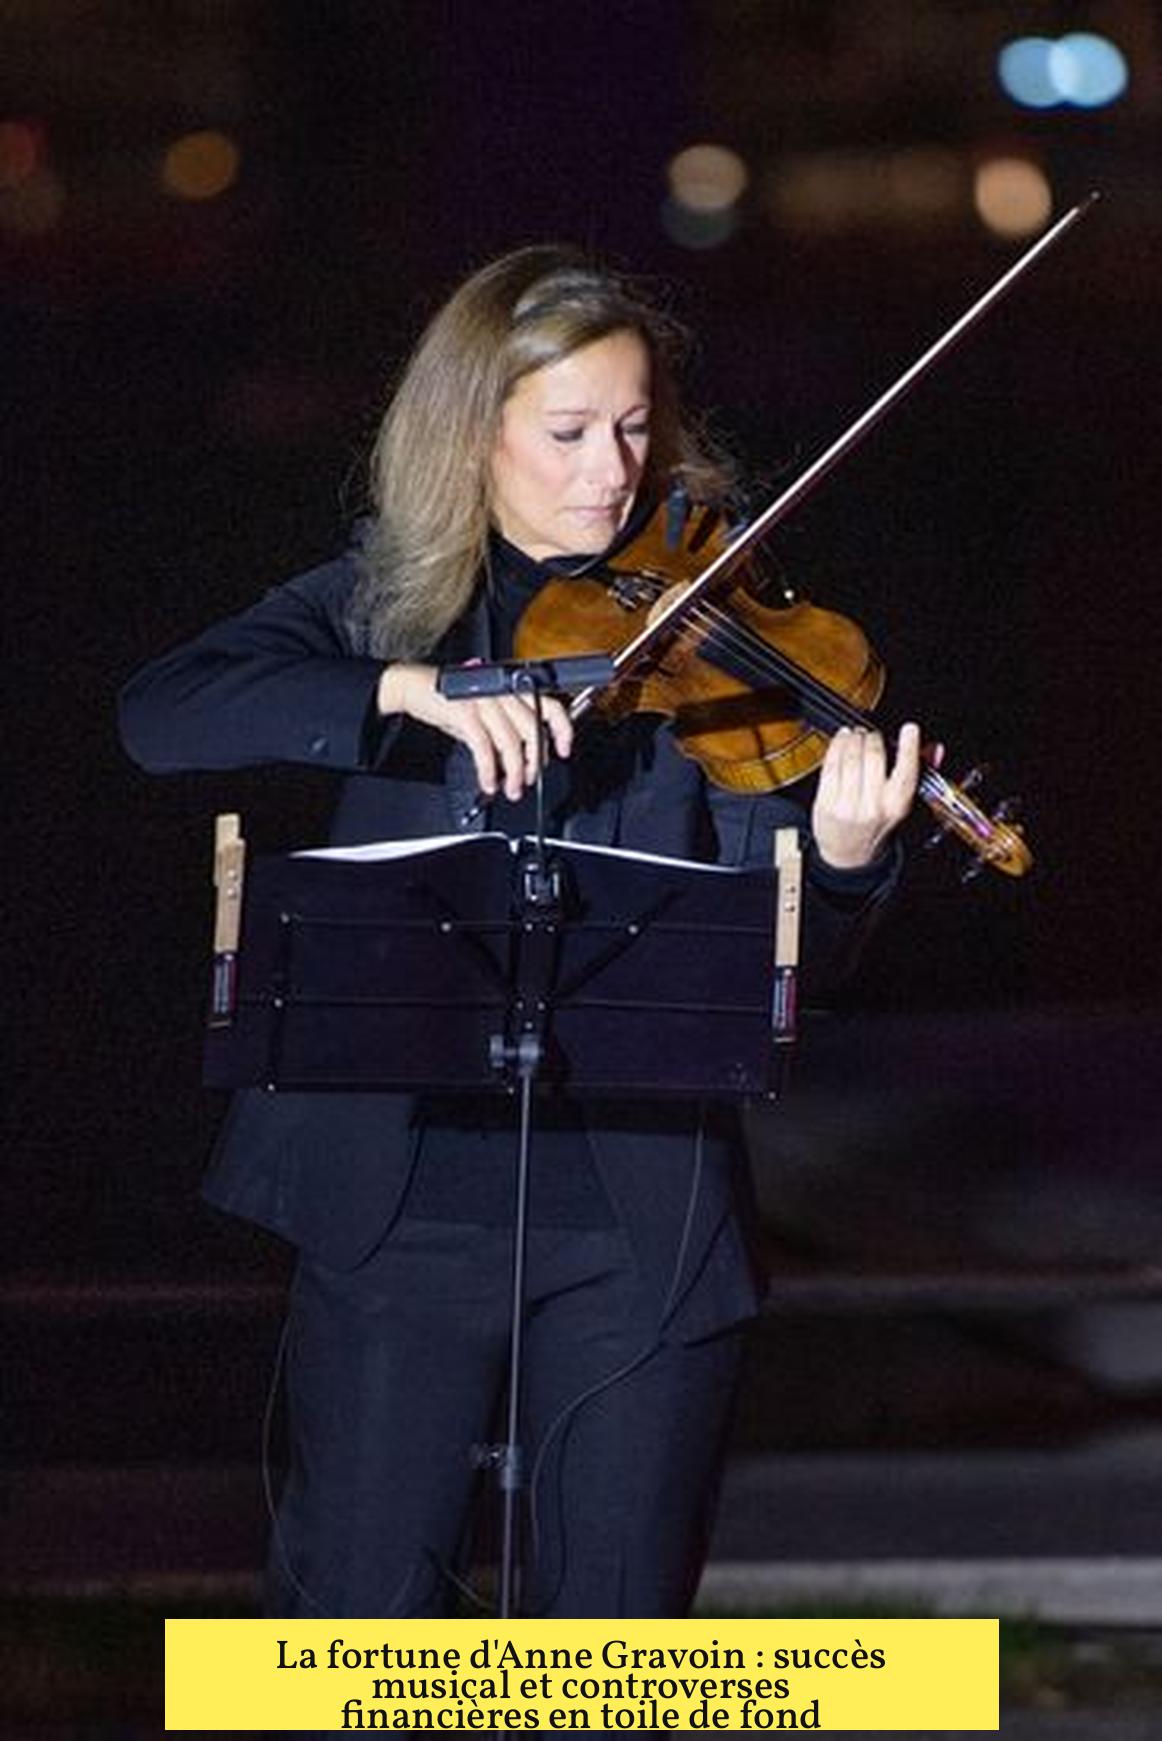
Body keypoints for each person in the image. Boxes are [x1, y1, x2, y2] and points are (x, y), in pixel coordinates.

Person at [119, 245, 921, 1620]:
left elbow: (773, 972)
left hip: (640, 1221)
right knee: (359, 1639)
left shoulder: (715, 635)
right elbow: (162, 713)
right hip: (394, 1205)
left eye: (634, 428)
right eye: (568, 432)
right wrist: (406, 690)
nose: (611, 472)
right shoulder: (392, 603)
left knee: (614, 1654)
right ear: (472, 432)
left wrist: (841, 866)